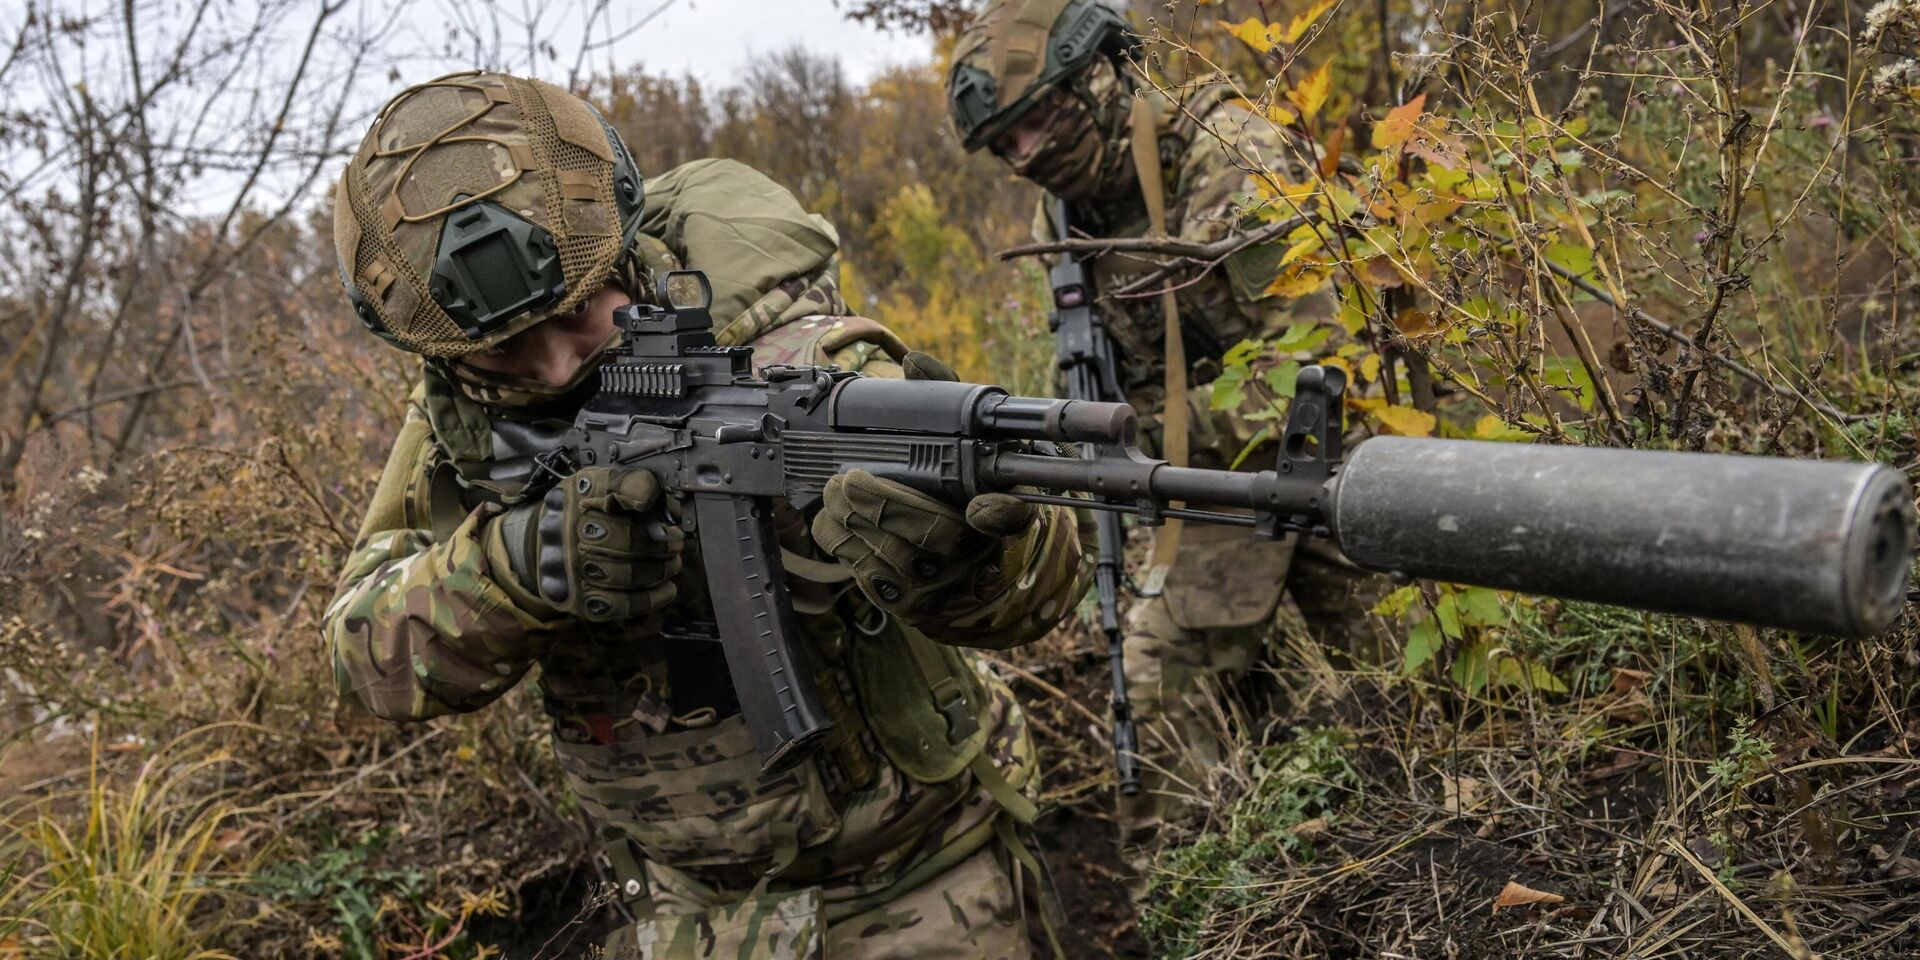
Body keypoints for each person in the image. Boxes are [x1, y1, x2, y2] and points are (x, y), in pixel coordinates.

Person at [323, 71, 1089, 959]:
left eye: (579, 312)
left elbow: (1042, 595)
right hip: (682, 916)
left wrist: (963, 553)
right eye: (508, 350)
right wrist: (514, 570)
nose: (557, 365)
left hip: (922, 885)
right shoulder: (464, 417)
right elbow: (359, 654)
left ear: (622, 247)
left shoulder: (790, 356)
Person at [947, 0, 1382, 854]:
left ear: (1102, 76)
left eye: (1036, 121)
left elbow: (1314, 359)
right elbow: (1088, 362)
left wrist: (1173, 447)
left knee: (1412, 681)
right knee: (1160, 690)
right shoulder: (1066, 218)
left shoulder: (1226, 155)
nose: (1026, 155)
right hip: (1199, 490)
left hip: (1322, 470)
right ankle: (1201, 890)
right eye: (1007, 142)